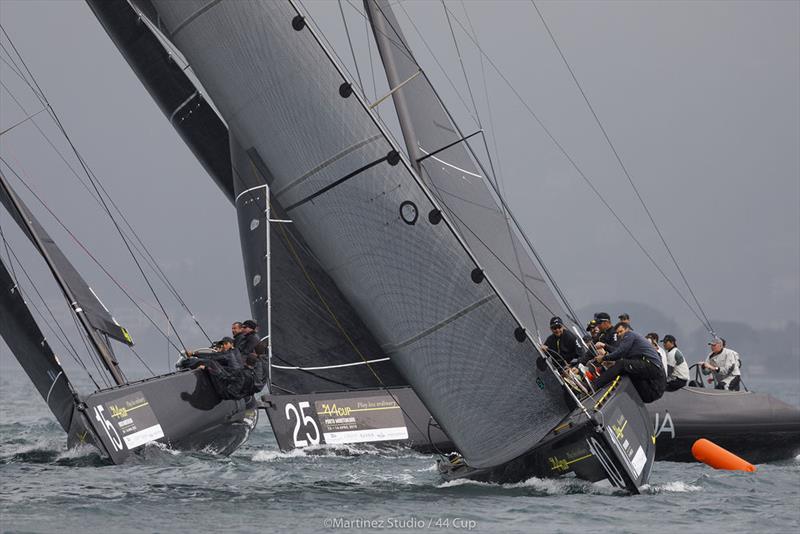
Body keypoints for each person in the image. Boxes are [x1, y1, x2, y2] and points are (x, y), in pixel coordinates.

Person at [591, 322, 666, 403]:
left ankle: (594, 385)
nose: (619, 334)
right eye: (617, 333)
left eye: (621, 331)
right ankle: (599, 383)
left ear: (627, 329)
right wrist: (605, 346)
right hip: (650, 391)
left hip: (653, 382)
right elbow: (619, 352)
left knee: (621, 364)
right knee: (624, 366)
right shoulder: (633, 345)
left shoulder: (630, 334)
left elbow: (620, 352)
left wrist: (603, 358)